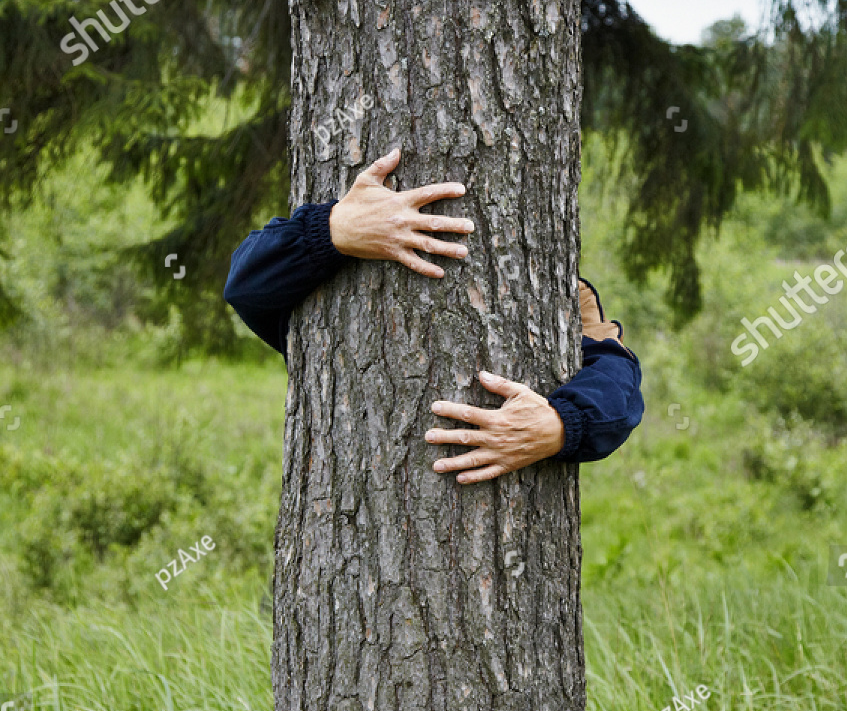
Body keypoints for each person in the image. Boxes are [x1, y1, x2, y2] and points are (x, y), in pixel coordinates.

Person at [224, 147, 642, 483]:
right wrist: (333, 231)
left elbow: (616, 376)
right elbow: (245, 285)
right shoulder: (316, 274)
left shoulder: (557, 295)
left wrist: (560, 426)